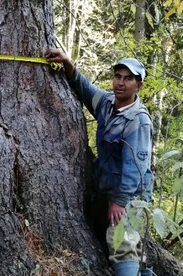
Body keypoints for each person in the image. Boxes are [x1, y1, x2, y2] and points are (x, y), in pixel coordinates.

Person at [44, 49, 154, 276]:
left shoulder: (138, 120)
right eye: (118, 77)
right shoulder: (107, 103)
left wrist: (121, 202)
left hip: (131, 196)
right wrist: (68, 64)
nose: (121, 83)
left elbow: (136, 169)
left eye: (128, 79)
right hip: (107, 188)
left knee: (121, 242)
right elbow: (85, 89)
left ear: (139, 85)